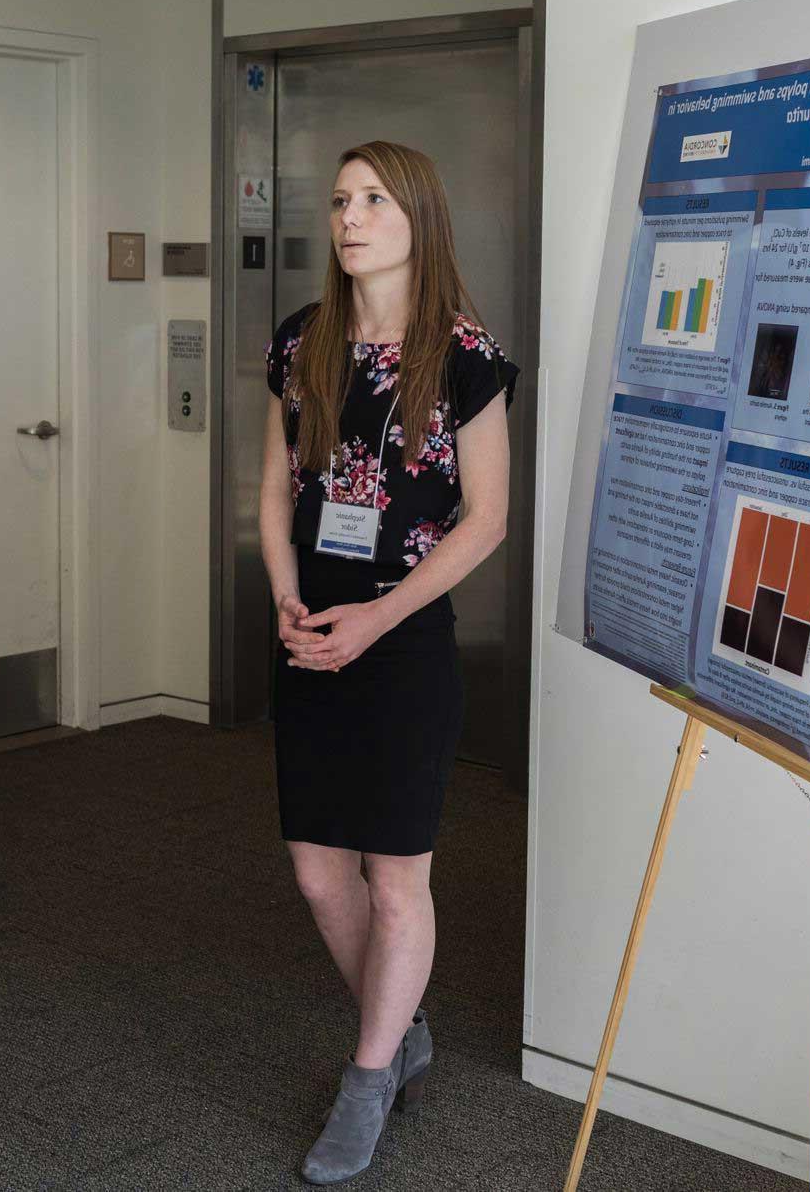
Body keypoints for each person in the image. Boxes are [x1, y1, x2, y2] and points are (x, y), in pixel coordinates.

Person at [260, 140, 518, 1184]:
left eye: (373, 200)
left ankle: (367, 1077)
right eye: (338, 201)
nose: (350, 217)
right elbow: (275, 487)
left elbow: (486, 519)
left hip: (401, 641)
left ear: (418, 216)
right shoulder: (300, 342)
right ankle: (398, 1026)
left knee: (394, 877)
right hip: (307, 633)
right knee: (321, 878)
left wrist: (377, 617)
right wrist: (281, 589)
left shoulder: (462, 355)